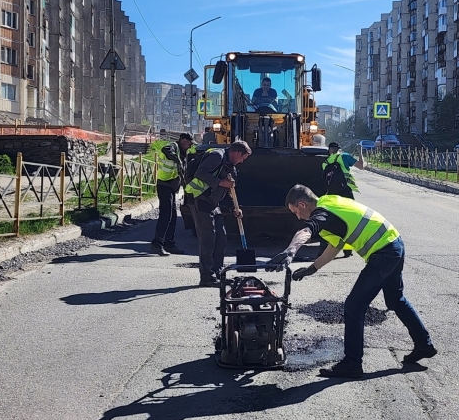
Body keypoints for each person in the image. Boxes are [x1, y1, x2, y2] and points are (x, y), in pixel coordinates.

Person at [267, 184, 436, 378]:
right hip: (394, 243)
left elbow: (306, 230)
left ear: (302, 204)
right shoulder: (331, 203)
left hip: (384, 253)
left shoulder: (323, 213)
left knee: (354, 307)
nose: (297, 217)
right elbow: (335, 246)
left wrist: (290, 250)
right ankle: (424, 345)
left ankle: (352, 364)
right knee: (395, 300)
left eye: (295, 211)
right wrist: (312, 269)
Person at [184, 141, 252, 287]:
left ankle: (218, 273)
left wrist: (235, 208)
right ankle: (207, 277)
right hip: (199, 199)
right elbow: (200, 173)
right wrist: (221, 182)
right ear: (237, 153)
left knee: (221, 238)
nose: (242, 162)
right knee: (208, 239)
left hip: (213, 204)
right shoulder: (216, 156)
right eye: (243, 158)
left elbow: (228, 190)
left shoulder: (230, 166)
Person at [150, 133, 197, 255]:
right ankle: (157, 244)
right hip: (164, 184)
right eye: (189, 143)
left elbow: (182, 172)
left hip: (172, 187)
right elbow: (165, 149)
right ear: (183, 140)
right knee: (166, 215)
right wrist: (178, 160)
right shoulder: (173, 147)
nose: (190, 146)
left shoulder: (184, 152)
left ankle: (169, 243)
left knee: (173, 217)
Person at [320, 142, 365, 258]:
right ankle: (348, 251)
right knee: (350, 221)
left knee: (332, 220)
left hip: (332, 195)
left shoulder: (325, 163)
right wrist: (360, 151)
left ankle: (324, 248)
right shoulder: (344, 156)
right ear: (338, 149)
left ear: (329, 150)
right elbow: (361, 165)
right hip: (346, 193)